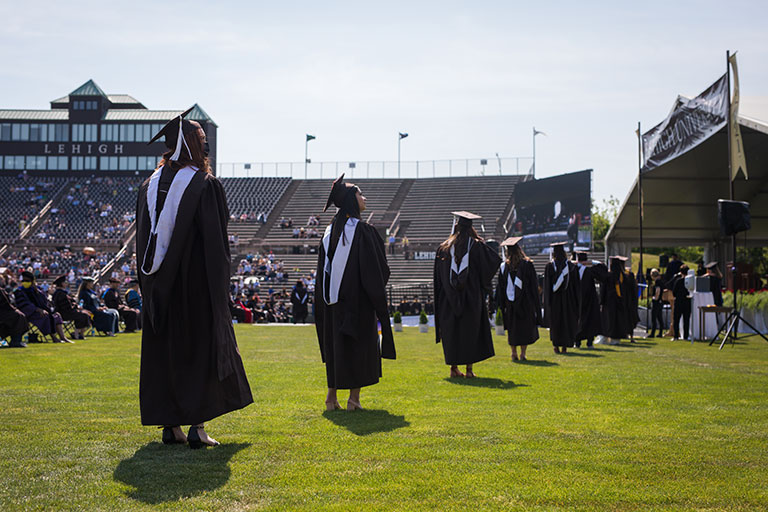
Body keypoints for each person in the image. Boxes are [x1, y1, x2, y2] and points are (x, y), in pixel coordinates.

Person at [136, 109, 252, 448]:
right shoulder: (204, 185)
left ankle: (170, 426)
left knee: (167, 353)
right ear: (188, 145)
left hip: (159, 287)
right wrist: (220, 295)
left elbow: (143, 242)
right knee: (199, 352)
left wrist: (151, 288)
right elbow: (215, 247)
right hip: (196, 289)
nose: (206, 149)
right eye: (202, 142)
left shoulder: (148, 186)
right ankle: (197, 428)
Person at [315, 174, 395, 411]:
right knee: (358, 348)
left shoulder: (329, 232)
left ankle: (331, 399)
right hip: (358, 305)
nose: (365, 198)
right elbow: (377, 269)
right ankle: (353, 399)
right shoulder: (361, 231)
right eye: (361, 194)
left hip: (332, 303)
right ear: (352, 199)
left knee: (336, 348)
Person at [434, 211, 501, 377]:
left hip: (448, 298)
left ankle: (453, 368)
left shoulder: (444, 248)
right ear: (471, 228)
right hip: (471, 297)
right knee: (470, 331)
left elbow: (438, 277)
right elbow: (493, 262)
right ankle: (469, 370)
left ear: (456, 226)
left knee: (453, 331)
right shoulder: (477, 246)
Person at [496, 236, 540, 361]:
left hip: (510, 303)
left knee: (513, 328)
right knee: (524, 327)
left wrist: (501, 304)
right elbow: (533, 285)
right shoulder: (527, 265)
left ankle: (513, 352)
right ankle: (523, 353)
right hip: (525, 302)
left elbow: (501, 287)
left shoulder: (504, 267)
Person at [14, 271, 73, 343]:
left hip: (39, 312)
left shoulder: (37, 290)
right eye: (23, 280)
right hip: (29, 313)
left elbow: (44, 302)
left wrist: (46, 306)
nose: (24, 282)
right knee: (46, 316)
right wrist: (37, 309)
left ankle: (63, 337)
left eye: (27, 281)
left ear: (32, 281)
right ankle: (54, 338)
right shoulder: (19, 291)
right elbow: (24, 304)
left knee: (57, 315)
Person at [542, 242, 580, 354]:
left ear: (553, 253)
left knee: (556, 323)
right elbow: (576, 287)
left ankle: (556, 346)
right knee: (566, 322)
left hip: (555, 301)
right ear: (564, 253)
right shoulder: (571, 267)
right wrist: (577, 302)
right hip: (568, 301)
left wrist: (547, 301)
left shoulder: (549, 266)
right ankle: (565, 346)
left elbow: (547, 286)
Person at [599, 256, 632, 345]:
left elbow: (603, 290)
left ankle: (605, 338)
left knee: (608, 321)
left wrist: (601, 301)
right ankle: (616, 339)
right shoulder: (623, 276)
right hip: (620, 302)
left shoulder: (608, 276)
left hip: (609, 303)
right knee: (618, 321)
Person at [574, 252, 605, 348]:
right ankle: (589, 342)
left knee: (577, 321)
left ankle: (577, 342)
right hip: (589, 300)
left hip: (577, 299)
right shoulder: (590, 271)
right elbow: (602, 267)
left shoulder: (572, 269)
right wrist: (591, 262)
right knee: (590, 321)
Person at [51, 274, 91, 340]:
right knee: (83, 315)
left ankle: (79, 334)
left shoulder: (61, 293)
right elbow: (66, 307)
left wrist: (76, 307)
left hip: (65, 312)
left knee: (86, 314)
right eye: (65, 282)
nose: (66, 283)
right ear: (62, 283)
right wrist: (77, 308)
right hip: (63, 314)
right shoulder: (60, 294)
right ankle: (77, 334)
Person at [0, 275, 29, 348]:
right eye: (2, 280)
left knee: (18, 316)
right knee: (19, 316)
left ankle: (16, 340)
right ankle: (16, 341)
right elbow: (6, 304)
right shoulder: (1, 291)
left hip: (4, 313)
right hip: (3, 314)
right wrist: (14, 309)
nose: (3, 281)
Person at [671, 265, 692, 340]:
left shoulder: (678, 281)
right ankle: (686, 336)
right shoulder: (691, 282)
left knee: (676, 319)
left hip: (679, 301)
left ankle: (676, 336)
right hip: (687, 301)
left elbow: (674, 292)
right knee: (686, 320)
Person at [648, 268, 666, 338]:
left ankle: (652, 333)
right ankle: (660, 332)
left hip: (656, 301)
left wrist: (655, 297)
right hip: (660, 301)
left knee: (654, 317)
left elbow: (658, 290)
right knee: (659, 318)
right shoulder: (661, 281)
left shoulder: (657, 282)